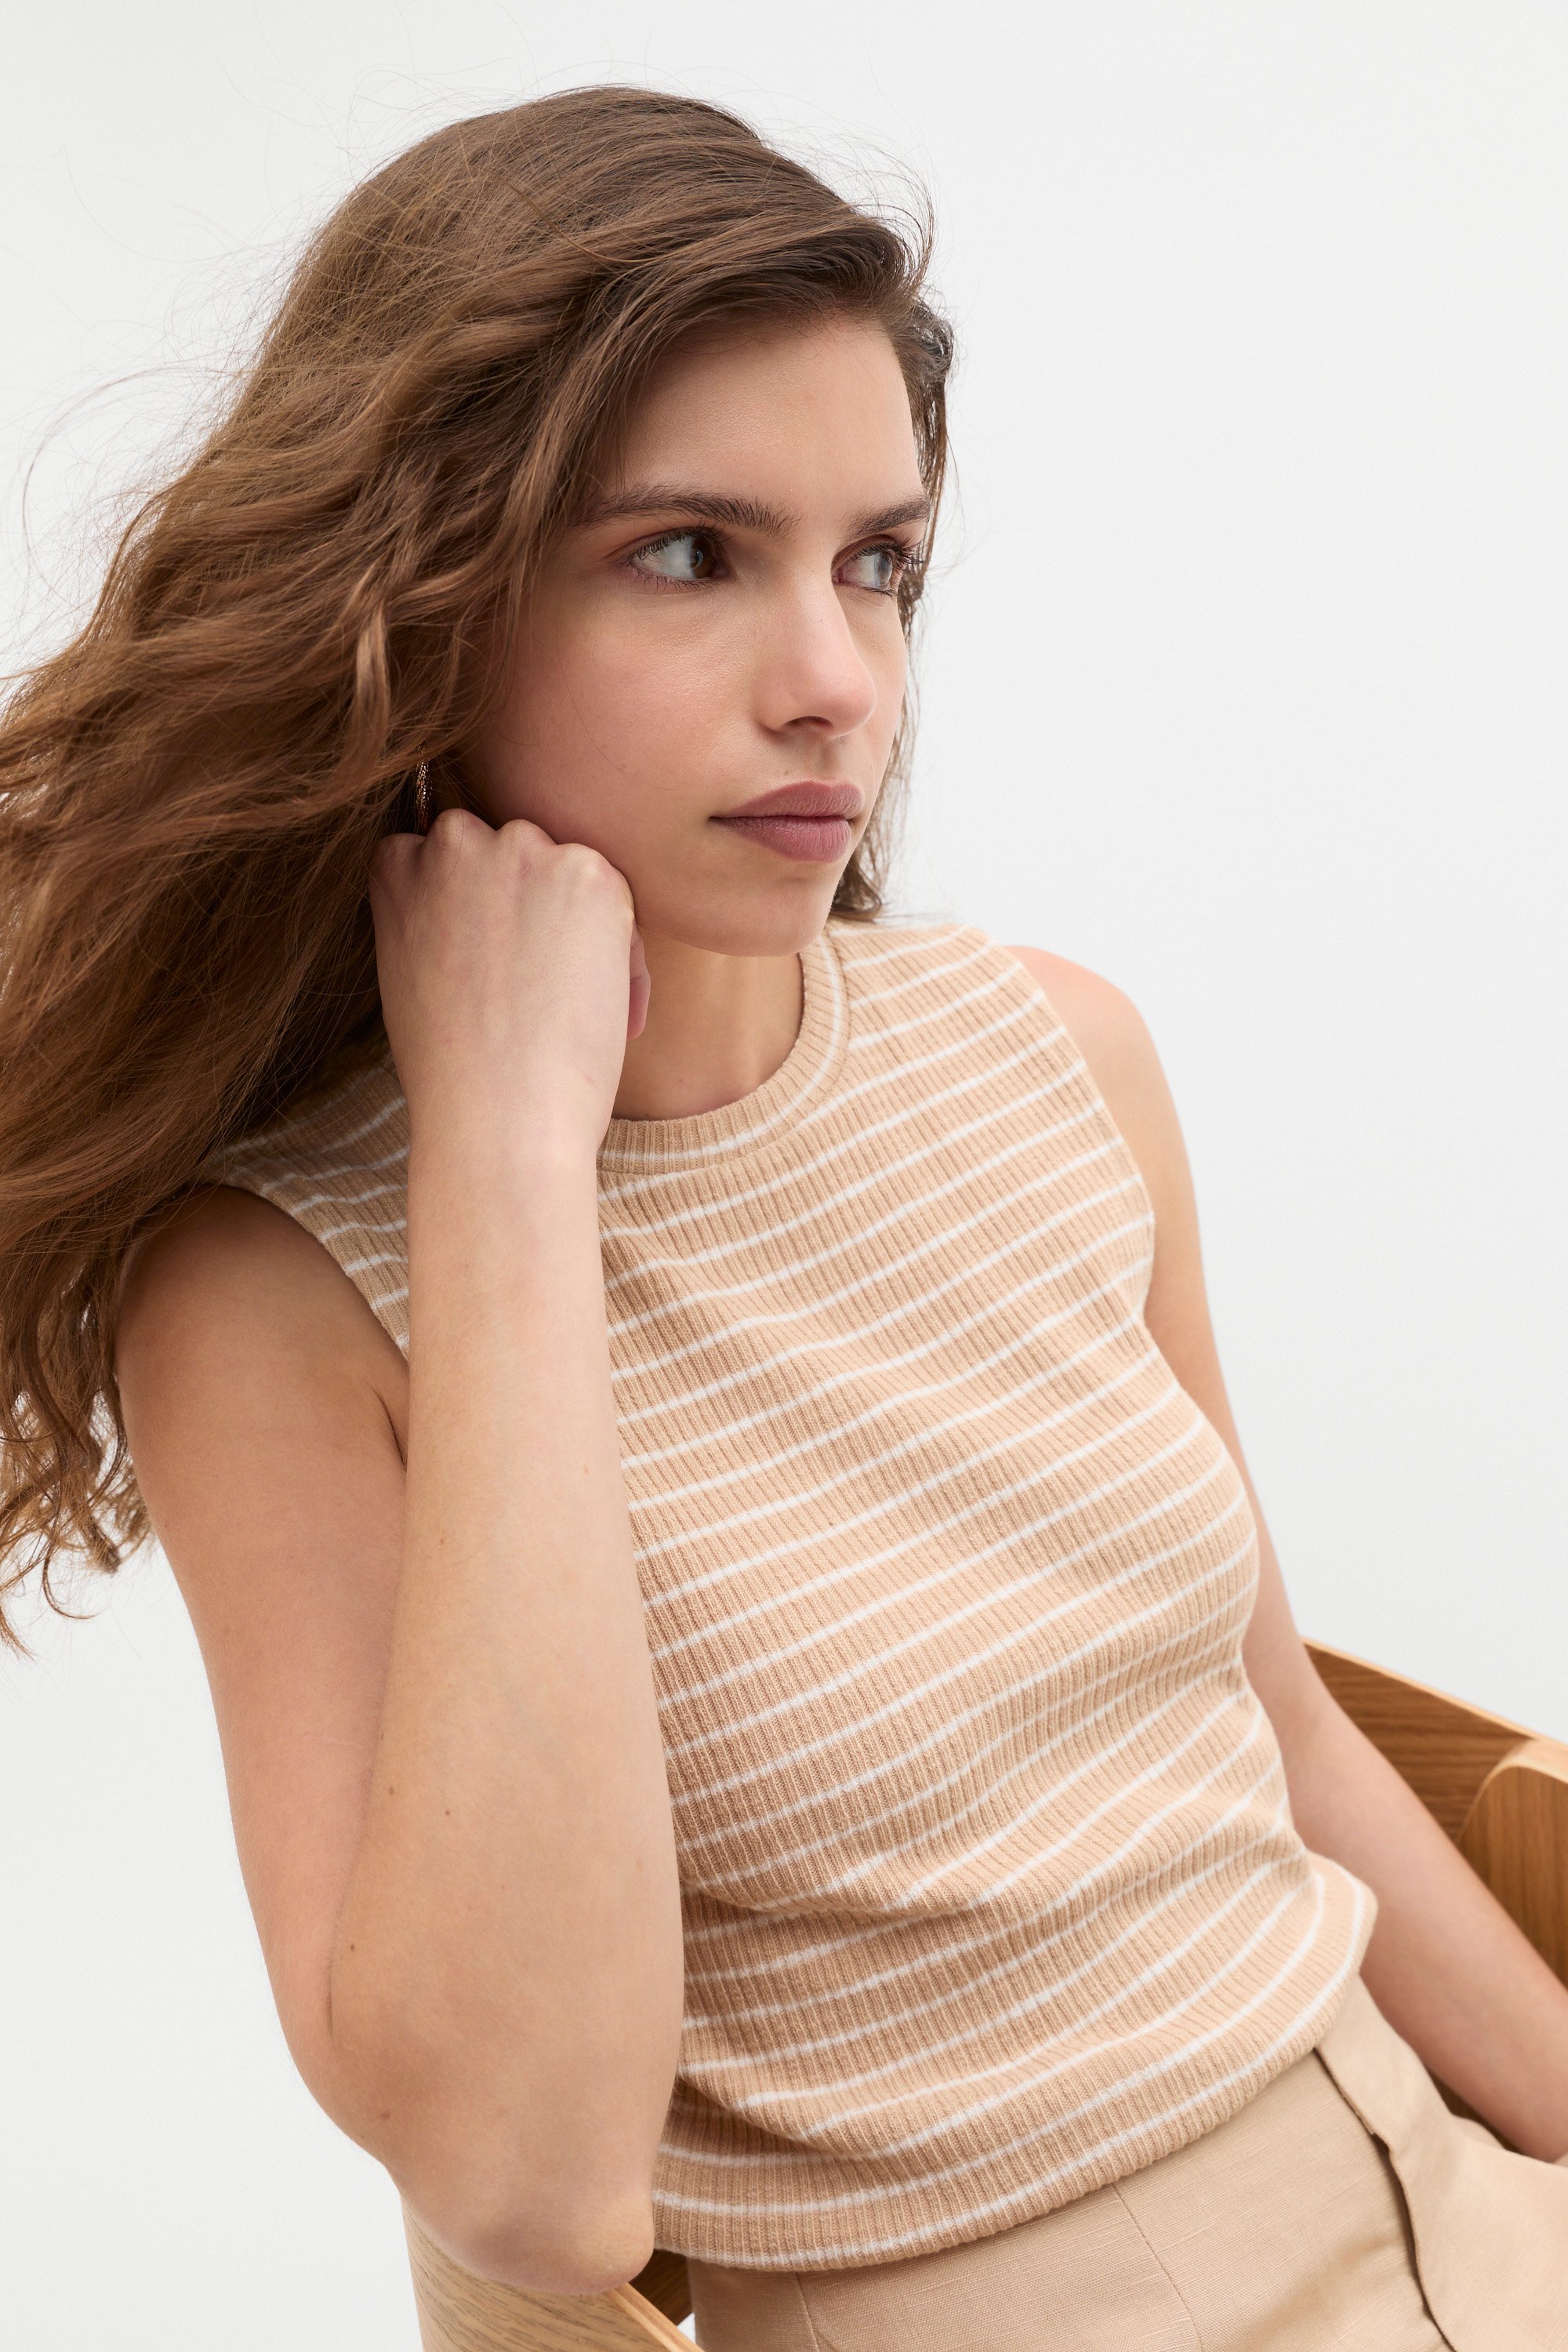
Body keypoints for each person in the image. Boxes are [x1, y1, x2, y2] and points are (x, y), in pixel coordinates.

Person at [1, 85, 1565, 2352]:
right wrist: (505, 1158)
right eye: (687, 554)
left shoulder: (1051, 1052)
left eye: (878, 563)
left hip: (1466, 2214)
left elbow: (1284, 1737)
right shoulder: (280, 1298)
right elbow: (532, 2182)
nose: (837, 677)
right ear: (420, 605)